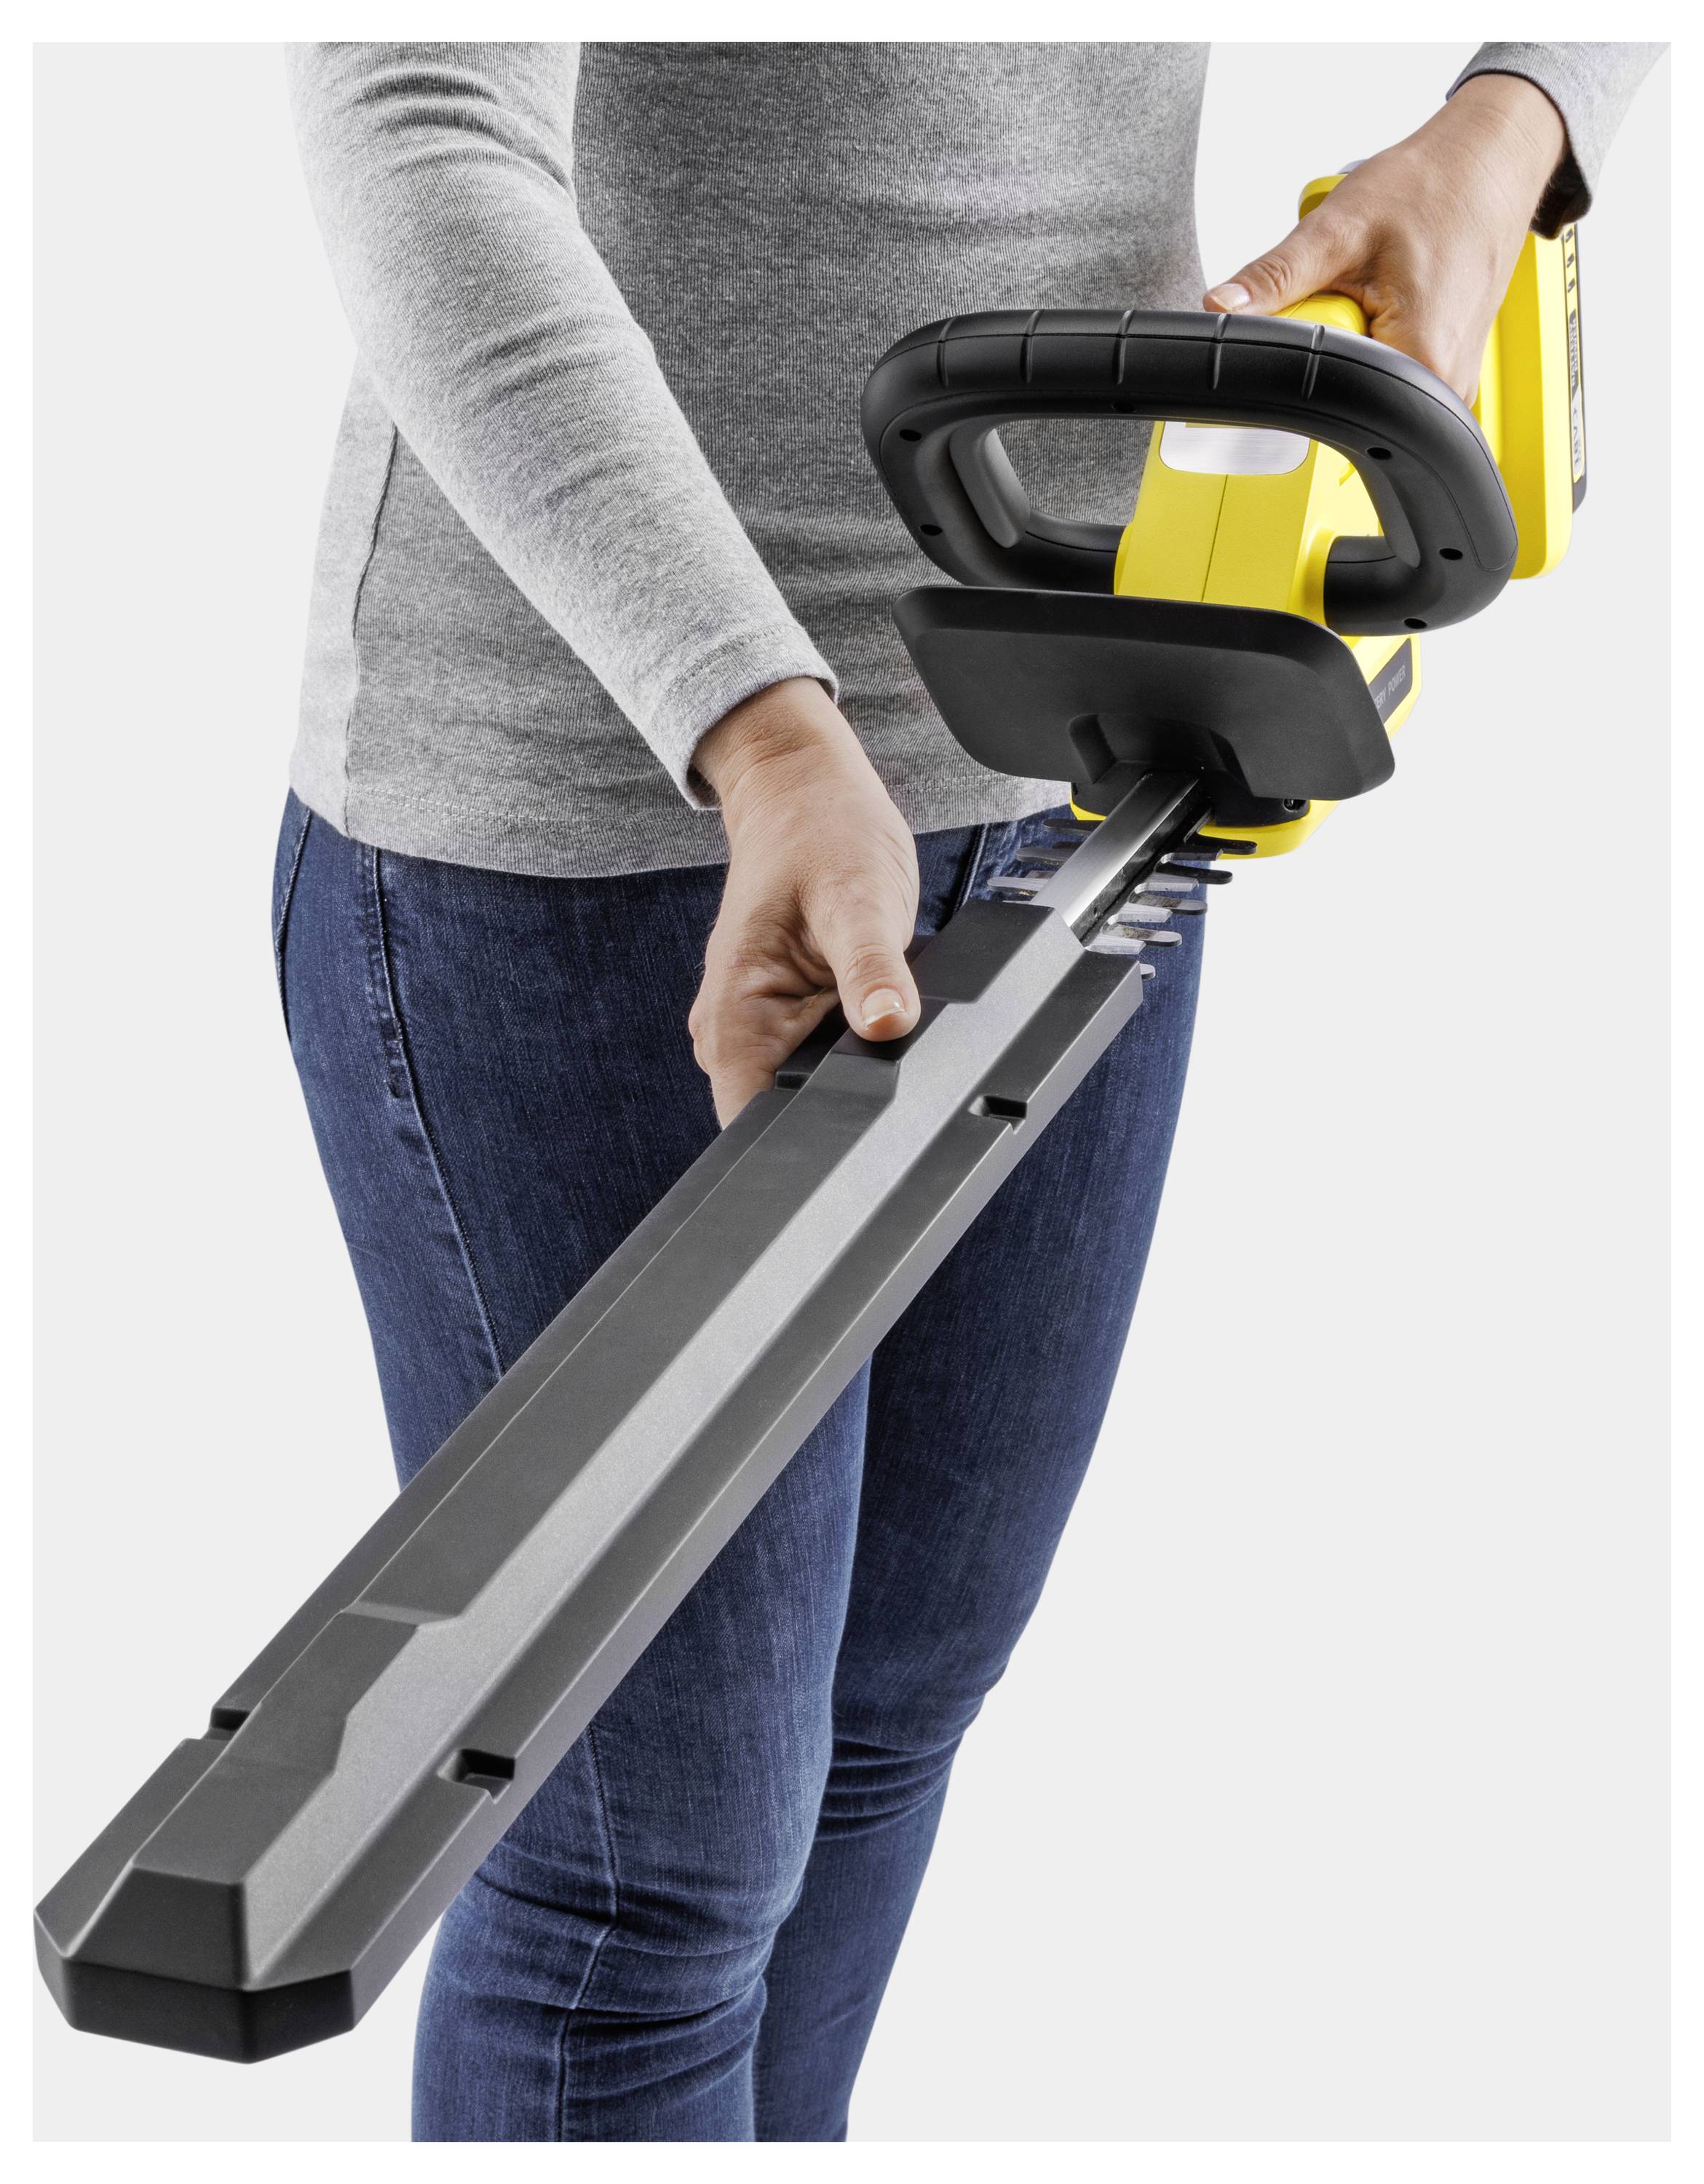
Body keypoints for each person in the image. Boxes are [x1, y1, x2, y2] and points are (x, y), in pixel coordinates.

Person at [278, 41, 1660, 2141]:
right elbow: (419, 123)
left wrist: (1515, 118)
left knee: (881, 1731)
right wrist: (754, 729)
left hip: (1076, 726)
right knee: (648, 1887)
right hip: (609, 802)